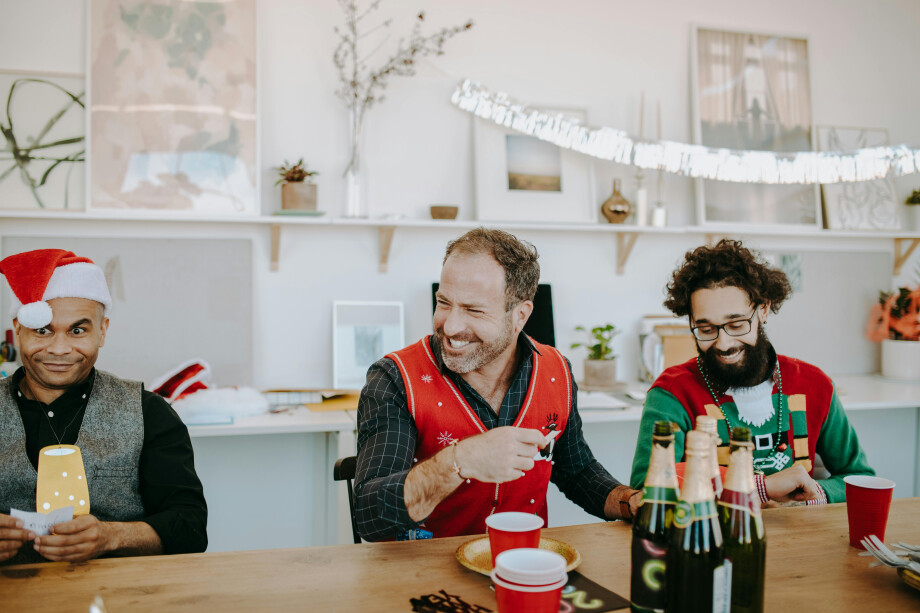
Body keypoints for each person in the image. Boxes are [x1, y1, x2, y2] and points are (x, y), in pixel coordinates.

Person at [355, 228, 640, 541]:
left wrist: (631, 503)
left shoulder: (556, 371)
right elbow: (369, 516)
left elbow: (577, 471)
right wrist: (459, 460)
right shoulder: (394, 379)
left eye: (474, 310)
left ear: (519, 316)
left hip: (523, 566)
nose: (450, 325)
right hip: (424, 575)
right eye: (444, 302)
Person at [0, 249, 207, 564]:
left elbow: (190, 529)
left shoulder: (149, 412)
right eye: (42, 330)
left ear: (103, 331)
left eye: (78, 330)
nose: (59, 349)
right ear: (18, 328)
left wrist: (112, 536)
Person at [630, 239, 874, 505]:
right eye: (706, 329)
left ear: (764, 309)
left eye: (736, 324)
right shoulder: (672, 394)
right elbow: (648, 492)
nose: (723, 344)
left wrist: (814, 495)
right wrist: (760, 488)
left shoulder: (815, 385)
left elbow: (860, 478)